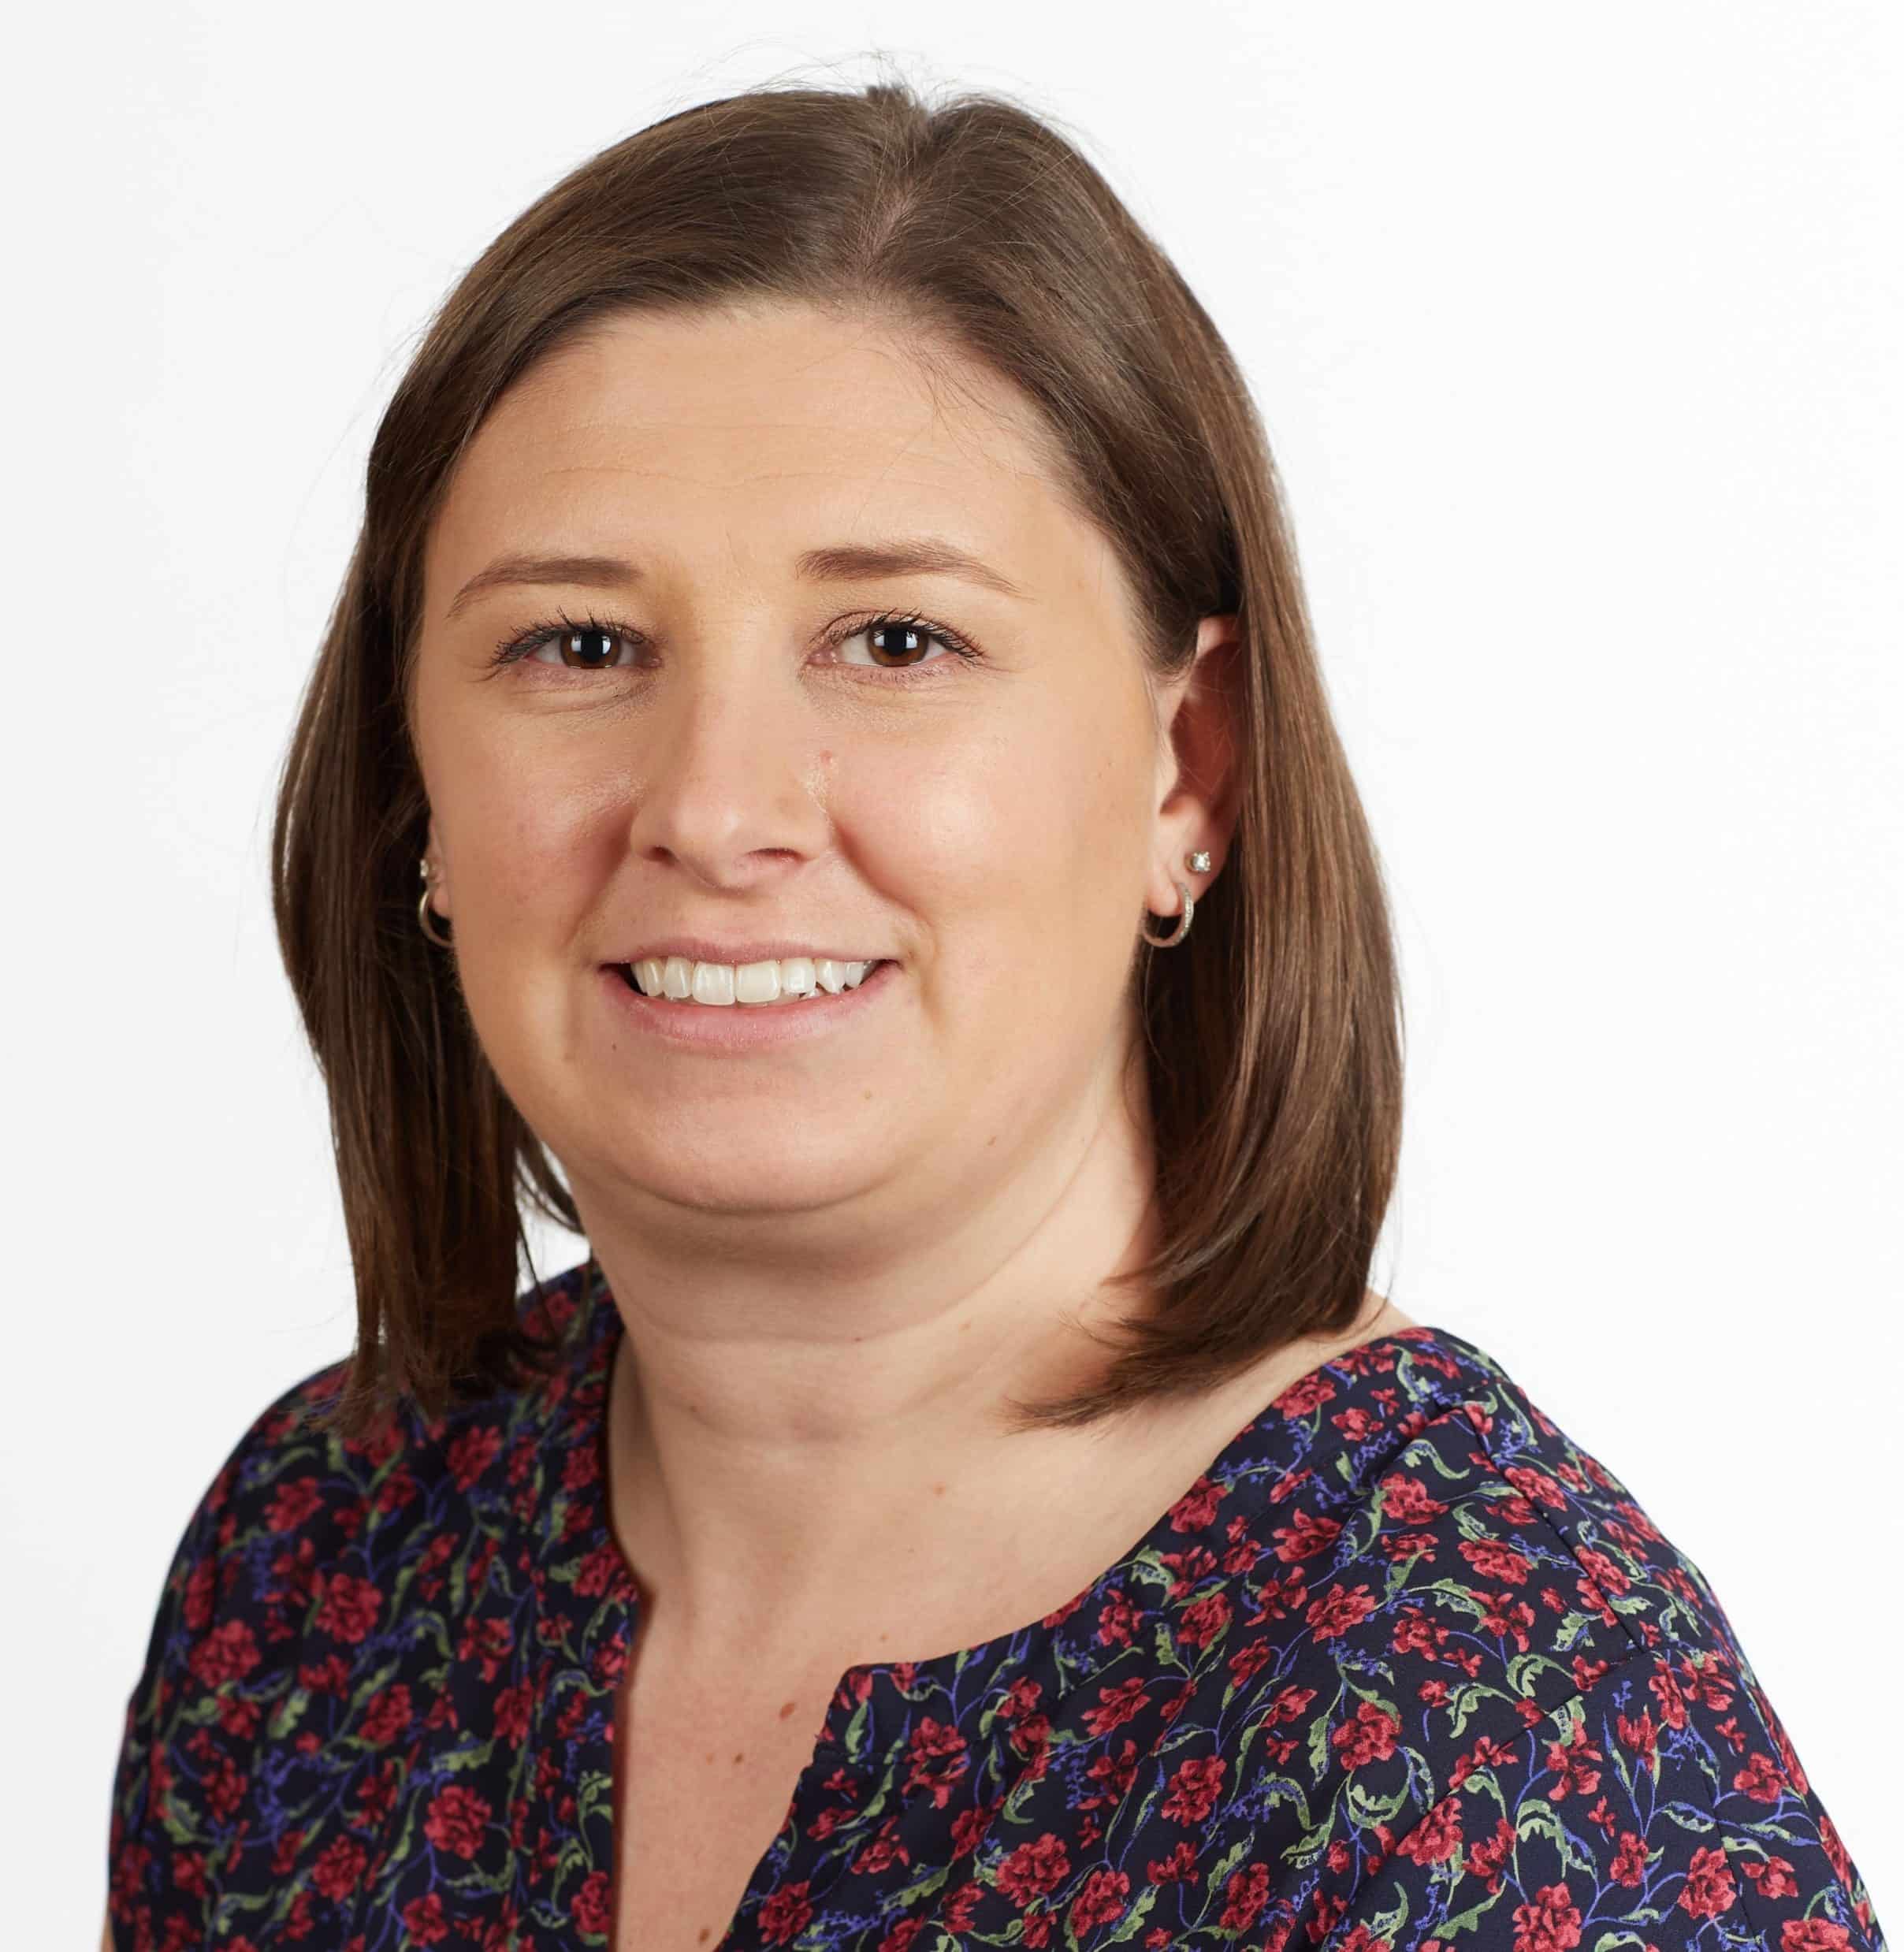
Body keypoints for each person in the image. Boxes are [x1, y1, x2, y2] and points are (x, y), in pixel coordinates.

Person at [103, 71, 1887, 1952]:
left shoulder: (1485, 1731)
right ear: (416, 788)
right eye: (580, 644)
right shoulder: (316, 1570)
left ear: (1187, 770)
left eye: (896, 642)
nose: (714, 808)